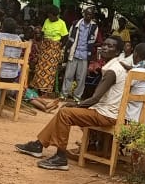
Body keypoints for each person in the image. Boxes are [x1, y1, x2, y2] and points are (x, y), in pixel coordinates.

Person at [15, 36, 128, 171]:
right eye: (104, 44)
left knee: (65, 113)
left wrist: (76, 104)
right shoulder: (116, 66)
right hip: (105, 112)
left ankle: (60, 157)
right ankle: (38, 145)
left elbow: (95, 98)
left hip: (106, 115)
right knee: (64, 112)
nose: (105, 48)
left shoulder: (112, 71)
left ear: (117, 52)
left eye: (110, 46)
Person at [62, 7, 99, 100]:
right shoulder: (75, 24)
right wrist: (67, 51)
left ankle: (77, 96)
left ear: (92, 16)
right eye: (87, 14)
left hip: (85, 55)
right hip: (74, 53)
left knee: (81, 78)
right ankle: (64, 94)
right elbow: (70, 37)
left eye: (90, 14)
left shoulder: (94, 27)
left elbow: (93, 40)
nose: (88, 16)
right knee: (68, 75)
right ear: (83, 14)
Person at [32, 5, 68, 95]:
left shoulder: (62, 23)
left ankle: (45, 92)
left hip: (54, 49)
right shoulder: (46, 21)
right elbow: (43, 33)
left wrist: (59, 47)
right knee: (40, 68)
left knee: (50, 71)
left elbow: (65, 37)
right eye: (48, 15)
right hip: (45, 47)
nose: (49, 17)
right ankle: (38, 89)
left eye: (51, 16)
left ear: (55, 15)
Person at [123, 43, 145, 123]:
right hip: (141, 115)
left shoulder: (134, 72)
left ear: (135, 53)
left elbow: (122, 90)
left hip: (127, 115)